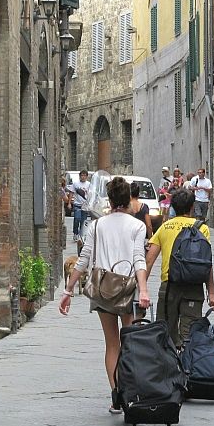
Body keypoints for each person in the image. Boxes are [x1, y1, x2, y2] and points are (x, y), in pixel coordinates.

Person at [58, 176, 151, 414]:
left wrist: (68, 291)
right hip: (128, 288)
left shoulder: (97, 226)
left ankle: (116, 394)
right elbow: (139, 260)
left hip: (102, 289)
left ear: (110, 200)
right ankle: (131, 391)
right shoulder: (137, 226)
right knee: (129, 342)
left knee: (112, 344)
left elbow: (83, 260)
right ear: (128, 199)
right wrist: (143, 290)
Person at [146, 188, 214, 347]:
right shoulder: (201, 228)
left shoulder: (165, 227)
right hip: (194, 286)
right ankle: (187, 366)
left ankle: (170, 367)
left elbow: (149, 261)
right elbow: (207, 262)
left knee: (165, 333)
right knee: (189, 334)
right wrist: (211, 292)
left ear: (173, 206)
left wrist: (141, 288)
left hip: (169, 286)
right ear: (192, 206)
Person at [70, 170, 91, 241]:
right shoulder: (76, 184)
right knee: (77, 219)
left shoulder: (89, 184)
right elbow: (71, 193)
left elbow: (91, 194)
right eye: (82, 175)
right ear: (80, 176)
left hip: (85, 205)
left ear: (87, 177)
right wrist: (70, 203)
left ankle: (81, 235)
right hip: (77, 204)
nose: (83, 177)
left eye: (85, 175)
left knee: (83, 221)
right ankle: (75, 233)